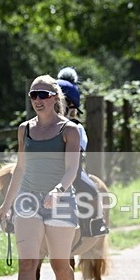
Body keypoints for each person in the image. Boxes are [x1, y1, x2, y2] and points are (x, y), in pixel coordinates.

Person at [0, 75, 83, 280]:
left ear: (55, 97)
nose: (37, 100)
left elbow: (72, 169)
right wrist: (6, 205)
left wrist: (58, 191)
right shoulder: (25, 129)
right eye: (33, 95)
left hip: (60, 201)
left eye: (43, 95)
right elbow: (20, 169)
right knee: (27, 263)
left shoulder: (69, 130)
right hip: (28, 200)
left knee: (60, 263)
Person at [56, 73, 108, 239]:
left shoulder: (76, 128)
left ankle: (94, 223)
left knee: (91, 190)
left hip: (72, 170)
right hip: (44, 169)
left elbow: (76, 154)